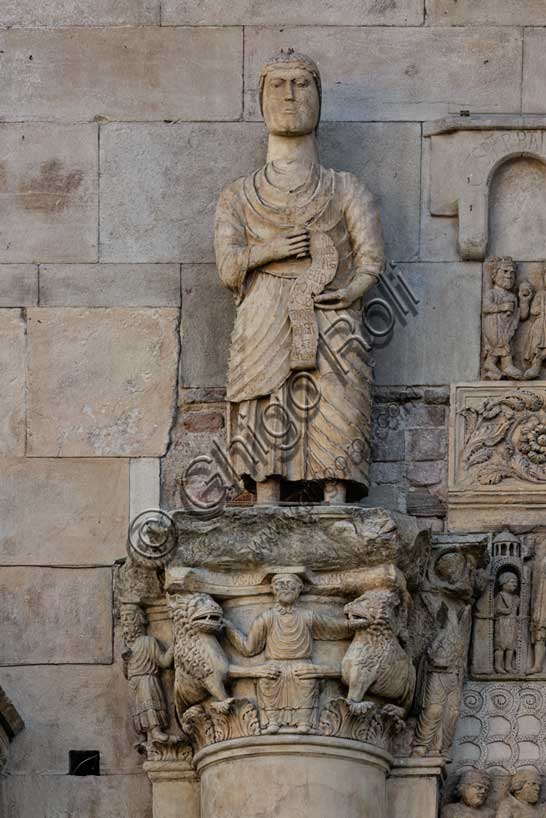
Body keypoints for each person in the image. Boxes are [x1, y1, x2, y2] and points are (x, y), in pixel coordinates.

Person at [215, 49, 384, 505]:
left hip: (332, 309)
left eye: (302, 84)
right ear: (261, 99)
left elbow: (371, 260)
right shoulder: (238, 195)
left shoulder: (346, 187)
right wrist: (270, 250)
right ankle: (266, 492)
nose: (290, 95)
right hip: (264, 313)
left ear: (319, 99)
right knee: (266, 402)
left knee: (337, 396)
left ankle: (336, 495)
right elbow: (228, 267)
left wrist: (348, 291)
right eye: (278, 84)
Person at [223, 573, 348, 734]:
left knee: (306, 680)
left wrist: (353, 625)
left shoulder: (307, 616)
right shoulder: (267, 617)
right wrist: (229, 629)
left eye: (291, 585)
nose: (286, 588)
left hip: (302, 662)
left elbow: (334, 628)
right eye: (280, 585)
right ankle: (272, 722)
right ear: (273, 590)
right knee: (267, 680)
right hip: (274, 663)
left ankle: (304, 722)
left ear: (299, 589)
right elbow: (249, 648)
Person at [121, 603, 174, 745]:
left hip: (147, 680)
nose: (125, 624)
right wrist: (126, 661)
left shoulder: (148, 642)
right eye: (123, 620)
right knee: (138, 709)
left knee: (150, 705)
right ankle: (143, 736)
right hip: (134, 683)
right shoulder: (128, 648)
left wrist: (175, 645)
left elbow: (164, 662)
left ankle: (156, 731)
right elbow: (126, 674)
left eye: (129, 618)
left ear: (138, 622)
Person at [482, 257, 526, 380]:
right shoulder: (491, 293)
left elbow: (521, 316)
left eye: (512, 273)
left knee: (506, 343)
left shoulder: (512, 296)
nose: (509, 275)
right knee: (500, 344)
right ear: (494, 274)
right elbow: (486, 307)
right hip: (494, 326)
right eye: (505, 271)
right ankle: (505, 365)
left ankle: (493, 364)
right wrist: (501, 307)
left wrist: (523, 301)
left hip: (508, 328)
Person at [493, 572, 520, 675]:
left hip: (512, 623)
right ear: (504, 583)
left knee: (510, 646)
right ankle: (498, 666)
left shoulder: (516, 598)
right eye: (512, 582)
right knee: (500, 645)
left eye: (516, 582)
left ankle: (508, 666)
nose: (515, 584)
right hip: (502, 623)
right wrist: (506, 611)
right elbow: (496, 609)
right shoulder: (500, 595)